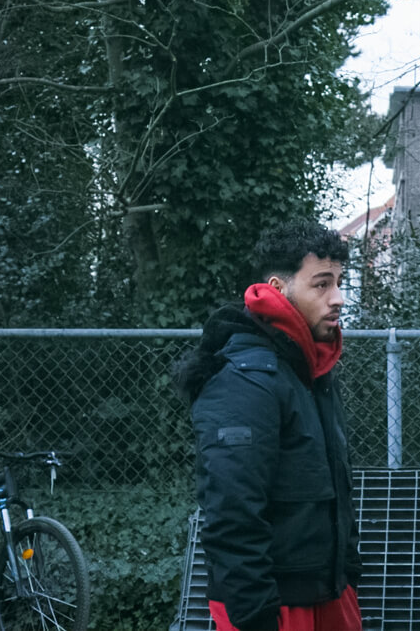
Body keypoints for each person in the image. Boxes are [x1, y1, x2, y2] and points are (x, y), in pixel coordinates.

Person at [174, 221, 362, 631]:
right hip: (272, 604)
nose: (338, 298)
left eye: (340, 282)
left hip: (327, 591)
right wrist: (255, 614)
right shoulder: (245, 379)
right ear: (278, 288)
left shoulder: (310, 370)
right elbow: (231, 510)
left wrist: (346, 572)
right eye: (321, 284)